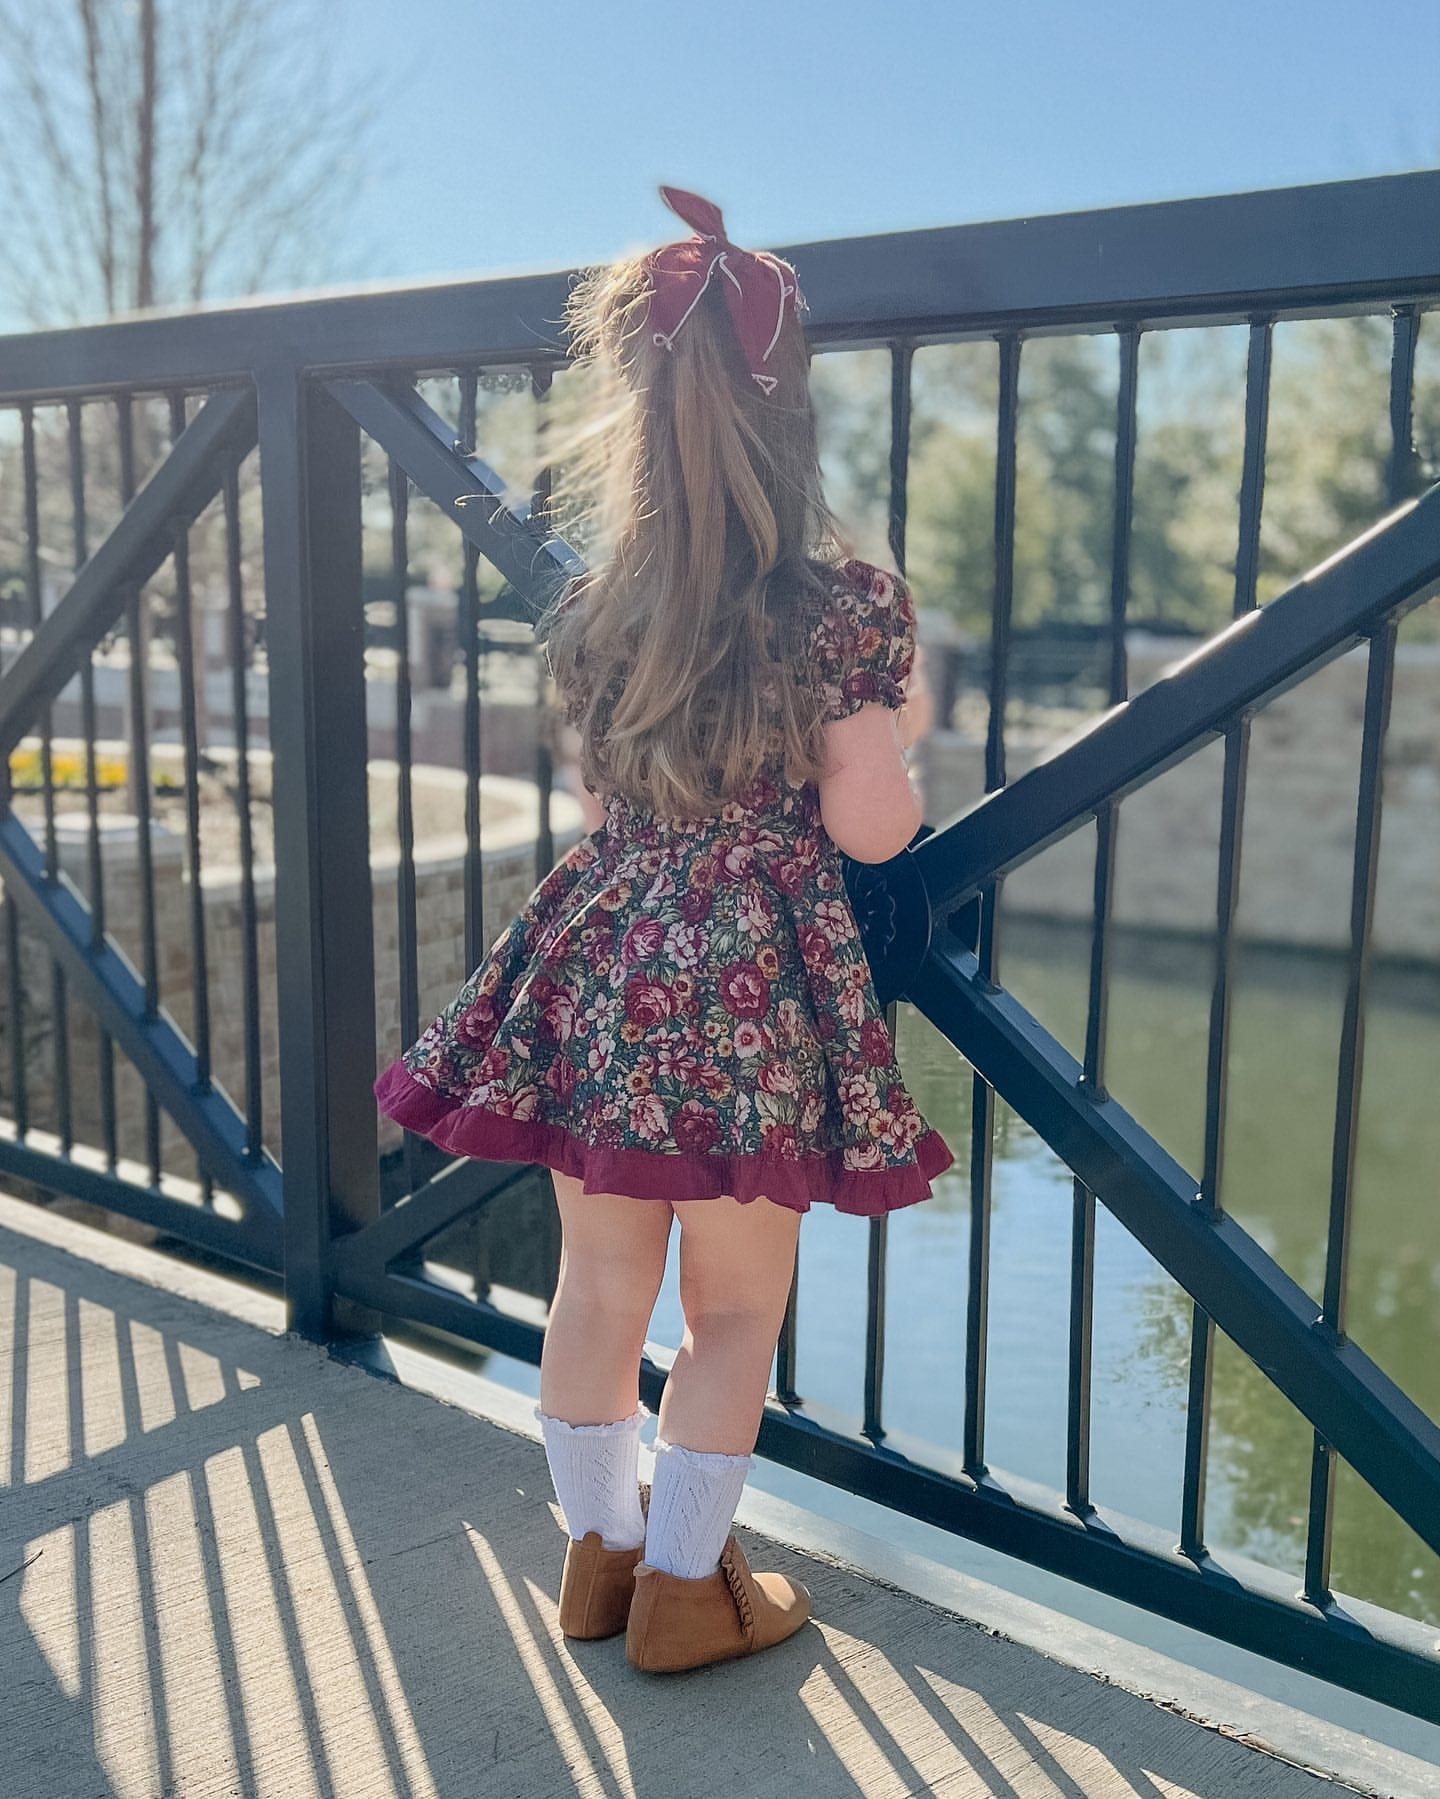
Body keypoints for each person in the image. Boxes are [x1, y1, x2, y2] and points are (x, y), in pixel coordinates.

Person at [374, 185, 955, 1674]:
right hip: (752, 980)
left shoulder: (601, 607)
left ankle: (599, 1556)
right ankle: (690, 1591)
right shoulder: (842, 609)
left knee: (599, 1285)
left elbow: (597, 791)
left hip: (608, 958)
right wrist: (893, 729)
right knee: (735, 1309)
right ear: (789, 413)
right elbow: (872, 828)